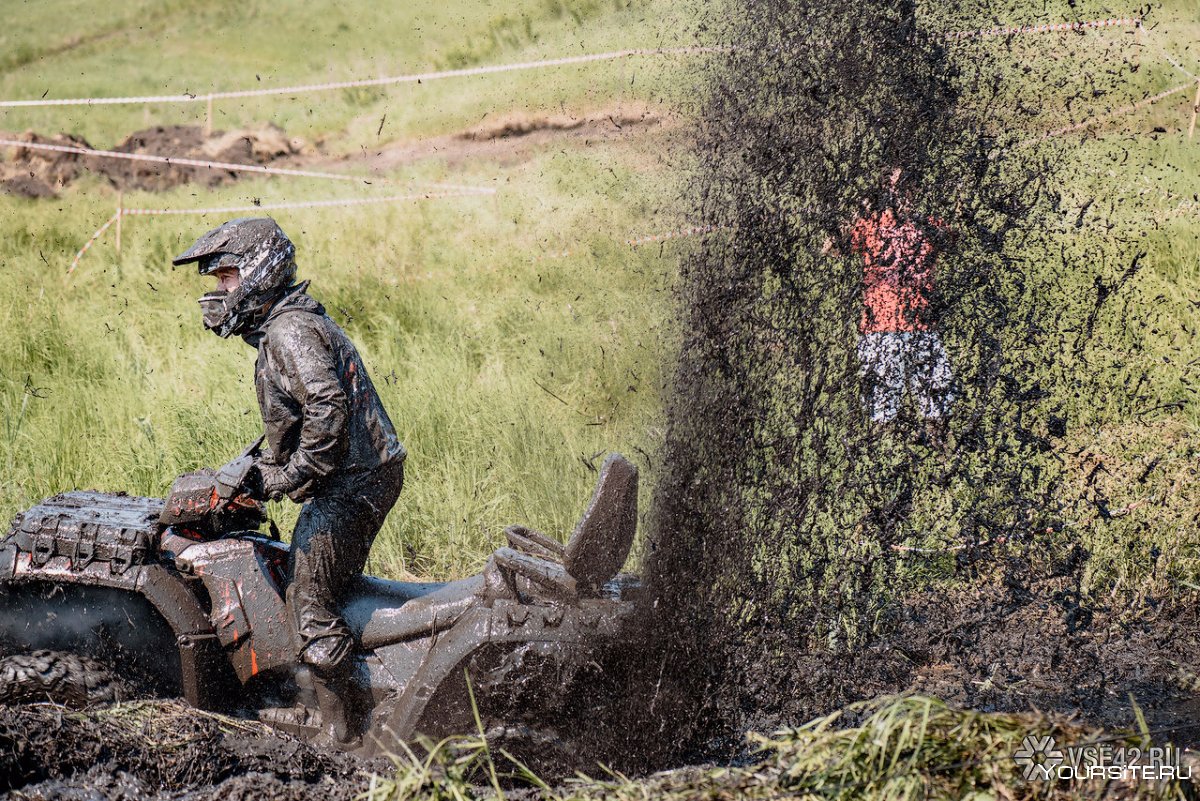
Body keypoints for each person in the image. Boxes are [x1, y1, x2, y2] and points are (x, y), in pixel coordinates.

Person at [173, 217, 406, 746]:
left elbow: (327, 408)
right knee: (318, 584)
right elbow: (299, 419)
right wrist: (254, 467)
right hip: (356, 474)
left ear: (258, 273)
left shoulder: (288, 331)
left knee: (309, 602)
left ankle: (344, 730)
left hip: (354, 482)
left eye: (226, 278)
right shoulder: (283, 326)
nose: (218, 292)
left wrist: (290, 476)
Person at [829, 168, 956, 439]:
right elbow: (831, 247)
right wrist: (852, 215)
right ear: (887, 192)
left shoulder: (928, 225)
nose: (905, 194)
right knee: (881, 417)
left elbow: (956, 239)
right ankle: (885, 460)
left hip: (922, 328)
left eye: (911, 187)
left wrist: (957, 212)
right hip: (879, 332)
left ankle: (941, 461)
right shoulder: (871, 225)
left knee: (940, 412)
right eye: (899, 188)